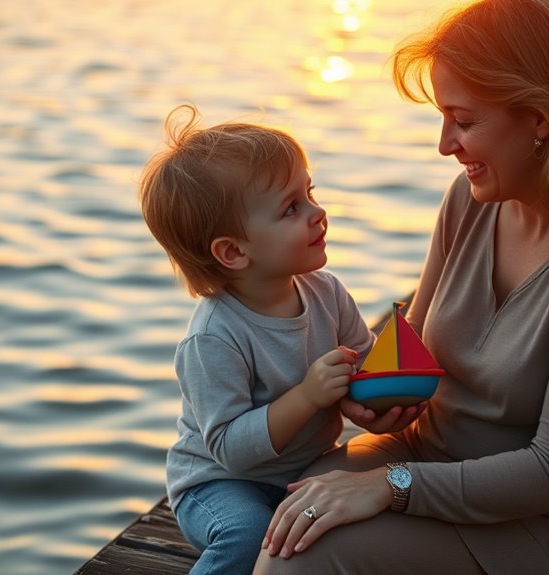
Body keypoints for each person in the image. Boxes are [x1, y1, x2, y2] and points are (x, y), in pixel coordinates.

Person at [254, 0, 549, 573]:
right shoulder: (474, 199)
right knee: (278, 510)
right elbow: (413, 347)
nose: (445, 144)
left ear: (540, 118)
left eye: (464, 120)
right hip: (422, 459)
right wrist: (370, 394)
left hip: (546, 532)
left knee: (303, 559)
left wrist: (389, 485)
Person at [138, 104, 377, 575]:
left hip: (305, 468)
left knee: (375, 498)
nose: (318, 212)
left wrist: (380, 400)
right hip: (220, 484)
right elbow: (229, 447)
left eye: (310, 193)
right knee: (247, 535)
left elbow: (365, 363)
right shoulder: (214, 337)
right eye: (292, 207)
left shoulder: (326, 291)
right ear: (233, 252)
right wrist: (309, 395)